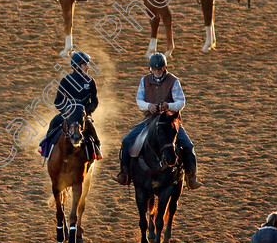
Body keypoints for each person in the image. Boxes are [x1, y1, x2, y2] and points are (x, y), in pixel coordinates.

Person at [112, 53, 202, 189]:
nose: (157, 72)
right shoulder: (145, 80)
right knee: (126, 141)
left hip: (170, 121)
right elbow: (139, 100)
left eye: (159, 69)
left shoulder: (173, 81)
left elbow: (181, 102)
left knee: (188, 146)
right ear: (150, 69)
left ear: (164, 68)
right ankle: (125, 173)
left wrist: (169, 106)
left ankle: (191, 176)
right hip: (150, 119)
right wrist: (148, 106)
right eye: (154, 69)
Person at [39, 52, 102, 159]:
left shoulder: (91, 82)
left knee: (90, 127)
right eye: (85, 64)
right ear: (77, 66)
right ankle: (45, 148)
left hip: (83, 115)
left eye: (87, 64)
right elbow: (58, 101)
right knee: (54, 122)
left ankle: (97, 148)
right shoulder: (66, 81)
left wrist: (86, 112)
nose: (88, 67)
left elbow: (94, 101)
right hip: (68, 114)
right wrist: (67, 112)